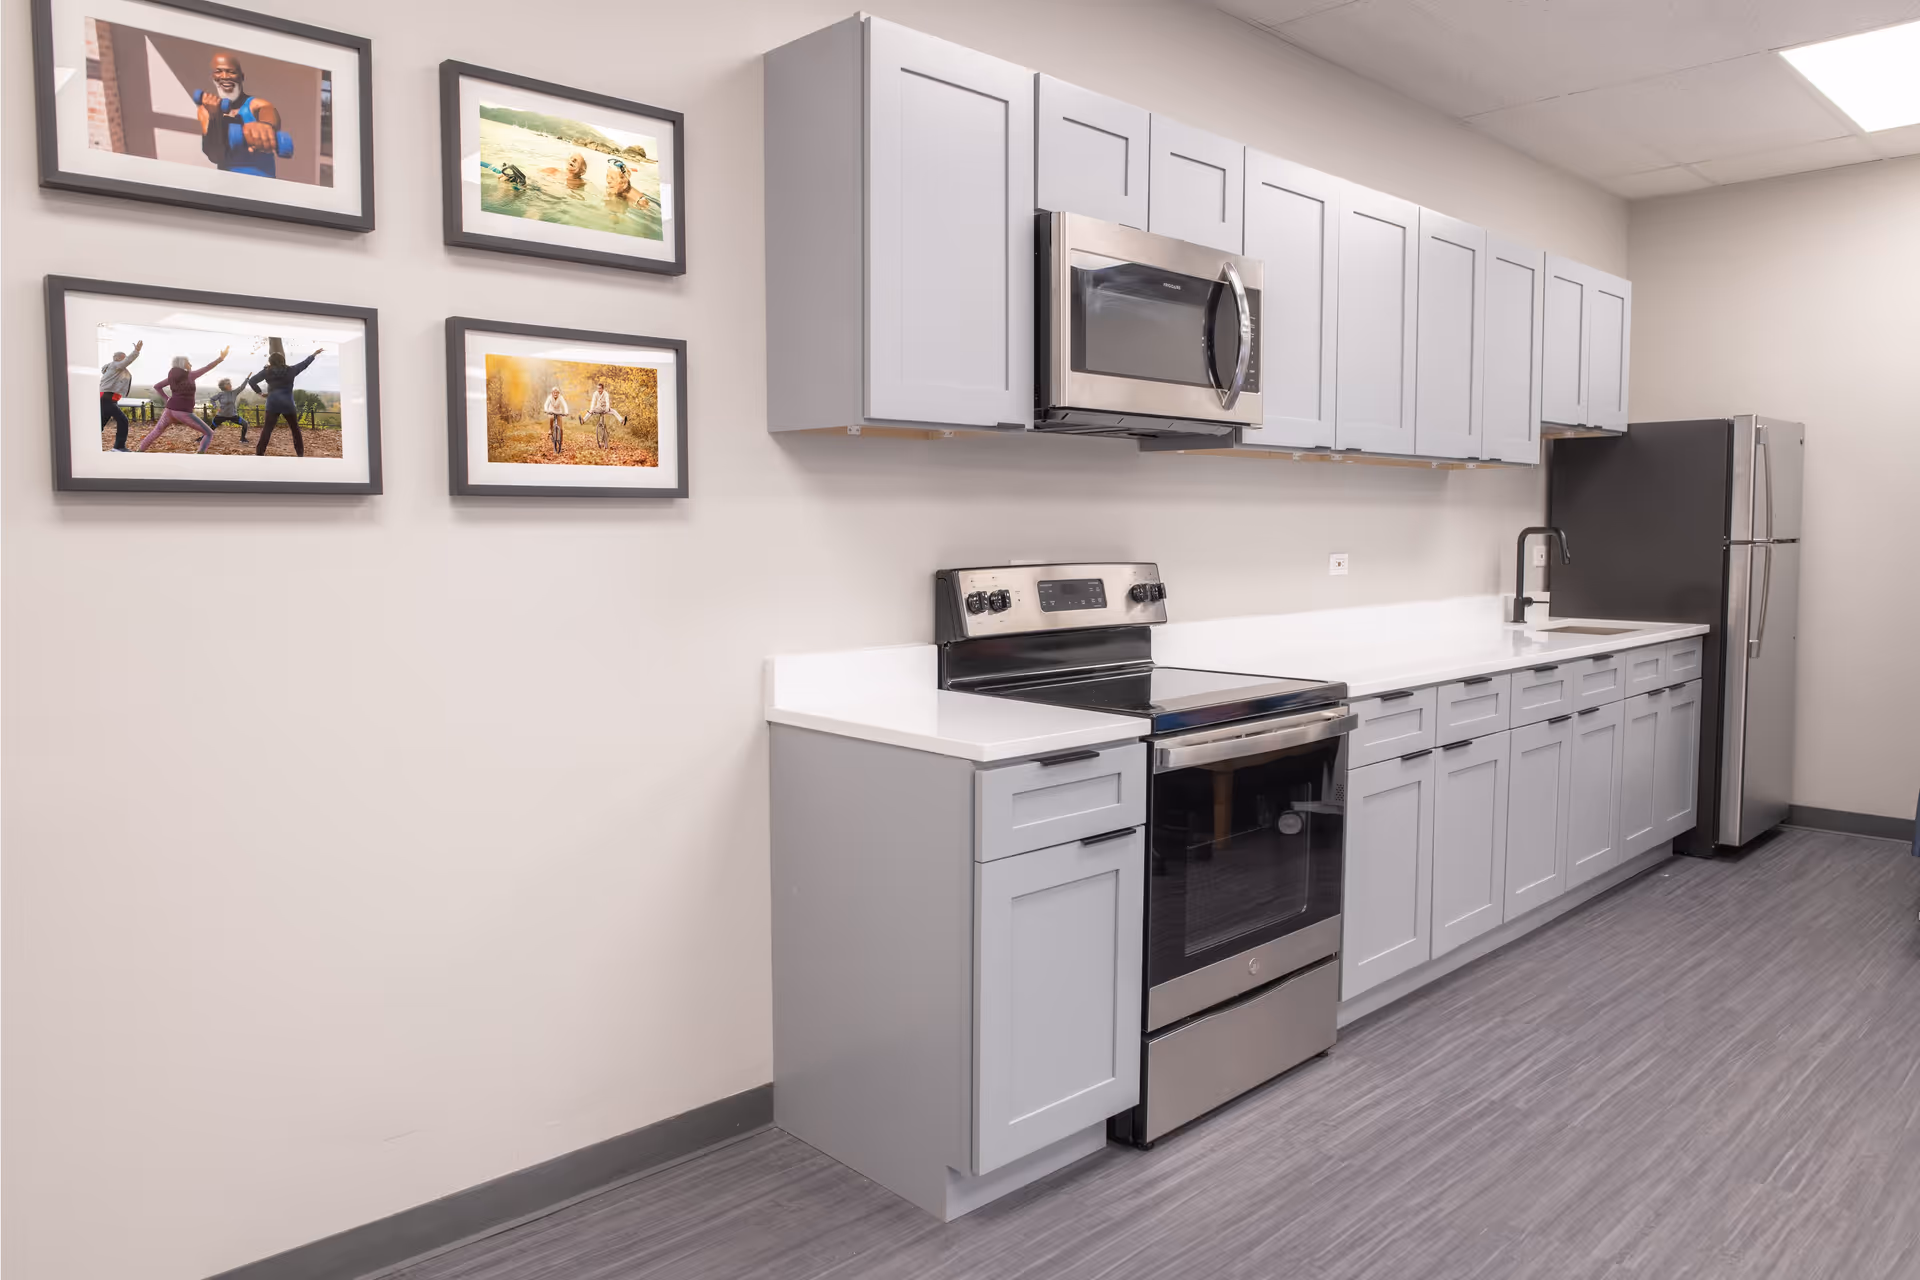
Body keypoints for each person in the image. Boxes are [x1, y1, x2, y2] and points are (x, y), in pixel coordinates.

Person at [192, 53, 291, 178]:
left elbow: (268, 114)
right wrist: (215, 117)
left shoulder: (258, 105)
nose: (225, 77)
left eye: (231, 72)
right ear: (212, 77)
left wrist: (265, 126)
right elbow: (215, 155)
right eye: (218, 71)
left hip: (262, 183)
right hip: (227, 183)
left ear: (241, 77)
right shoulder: (206, 111)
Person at [138, 349, 228, 454]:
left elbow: (158, 386)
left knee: (157, 431)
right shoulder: (190, 375)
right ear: (182, 364)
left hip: (169, 410)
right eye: (187, 362)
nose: (190, 364)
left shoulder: (172, 377)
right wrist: (220, 358)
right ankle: (200, 455)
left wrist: (167, 398)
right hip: (183, 412)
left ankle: (140, 451)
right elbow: (207, 367)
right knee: (209, 433)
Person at [247, 348, 323, 457]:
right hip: (288, 405)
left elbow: (252, 381)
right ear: (283, 360)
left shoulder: (267, 371)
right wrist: (314, 354)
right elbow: (304, 364)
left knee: (267, 430)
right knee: (295, 430)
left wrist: (260, 393)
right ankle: (300, 455)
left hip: (272, 404)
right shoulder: (291, 370)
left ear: (270, 361)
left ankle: (259, 453)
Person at [99, 339, 144, 452]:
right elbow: (128, 360)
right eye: (124, 358)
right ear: (118, 359)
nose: (126, 360)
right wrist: (136, 351)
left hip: (108, 398)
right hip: (108, 397)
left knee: (100, 423)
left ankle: (86, 442)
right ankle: (119, 447)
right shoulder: (115, 366)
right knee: (123, 420)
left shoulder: (115, 368)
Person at [207, 378, 249, 442]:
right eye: (228, 384)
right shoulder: (221, 394)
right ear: (224, 386)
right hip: (221, 415)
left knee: (245, 424)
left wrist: (247, 379)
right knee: (211, 428)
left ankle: (243, 439)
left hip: (232, 415)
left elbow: (242, 387)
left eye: (230, 383)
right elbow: (212, 399)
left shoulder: (234, 392)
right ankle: (202, 438)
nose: (230, 385)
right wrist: (215, 406)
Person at [585, 380, 623, 448]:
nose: (599, 390)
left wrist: (607, 409)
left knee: (614, 411)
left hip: (605, 409)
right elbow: (593, 402)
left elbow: (607, 402)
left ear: (603, 389)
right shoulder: (595, 394)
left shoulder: (606, 394)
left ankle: (622, 421)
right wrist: (591, 409)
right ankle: (583, 420)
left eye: (600, 388)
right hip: (598, 408)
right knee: (590, 411)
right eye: (598, 388)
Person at [543, 386, 570, 454]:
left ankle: (560, 442)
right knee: (551, 417)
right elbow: (546, 404)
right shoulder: (550, 397)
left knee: (561, 428)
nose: (555, 394)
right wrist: (546, 410)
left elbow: (565, 404)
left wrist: (566, 412)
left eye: (556, 392)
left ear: (558, 393)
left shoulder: (561, 398)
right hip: (551, 411)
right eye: (554, 392)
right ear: (552, 393)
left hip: (558, 412)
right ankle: (550, 429)